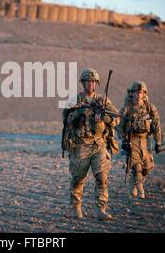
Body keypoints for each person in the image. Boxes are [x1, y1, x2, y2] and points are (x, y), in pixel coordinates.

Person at [62, 68, 119, 220]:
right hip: (80, 145)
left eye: (93, 82)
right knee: (78, 179)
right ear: (83, 83)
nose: (91, 85)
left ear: (97, 84)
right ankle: (76, 208)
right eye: (88, 82)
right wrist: (78, 115)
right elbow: (65, 119)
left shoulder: (103, 101)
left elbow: (117, 118)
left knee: (102, 177)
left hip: (98, 144)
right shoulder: (75, 100)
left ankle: (101, 209)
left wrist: (103, 117)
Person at [119, 81, 164, 199]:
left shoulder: (150, 108)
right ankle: (140, 190)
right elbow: (119, 125)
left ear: (144, 94)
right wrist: (123, 140)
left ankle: (135, 181)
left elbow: (156, 125)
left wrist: (158, 142)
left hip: (145, 141)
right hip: (132, 140)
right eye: (136, 92)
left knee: (147, 167)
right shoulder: (127, 108)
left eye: (141, 92)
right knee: (136, 166)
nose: (139, 94)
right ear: (132, 93)